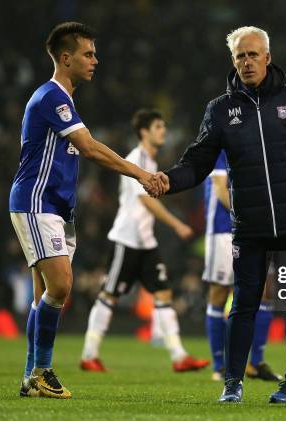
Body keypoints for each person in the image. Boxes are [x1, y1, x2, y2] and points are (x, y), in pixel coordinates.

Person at [160, 26, 286, 403]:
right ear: (233, 62)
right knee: (244, 303)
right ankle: (233, 384)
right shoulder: (220, 109)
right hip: (249, 224)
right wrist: (167, 180)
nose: (247, 62)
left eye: (253, 55)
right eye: (240, 57)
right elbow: (197, 162)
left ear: (267, 56)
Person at [8, 23, 164, 399]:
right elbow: (90, 148)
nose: (96, 60)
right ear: (66, 58)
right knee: (61, 286)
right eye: (88, 54)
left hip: (59, 208)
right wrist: (142, 174)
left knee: (44, 294)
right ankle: (43, 371)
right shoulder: (52, 97)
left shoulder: (64, 99)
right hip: (36, 201)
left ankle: (31, 377)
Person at [80, 109, 209, 373]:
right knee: (110, 295)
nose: (163, 131)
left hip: (145, 242)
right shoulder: (135, 160)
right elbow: (145, 202)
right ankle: (89, 354)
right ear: (144, 132)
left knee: (163, 294)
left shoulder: (150, 163)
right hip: (126, 240)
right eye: (158, 127)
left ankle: (178, 356)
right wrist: (177, 224)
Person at [203, 150, 281, 382]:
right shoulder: (219, 149)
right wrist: (246, 214)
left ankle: (255, 363)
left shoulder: (255, 143)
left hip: (256, 230)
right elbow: (219, 189)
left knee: (267, 290)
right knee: (219, 292)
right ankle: (219, 366)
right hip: (223, 230)